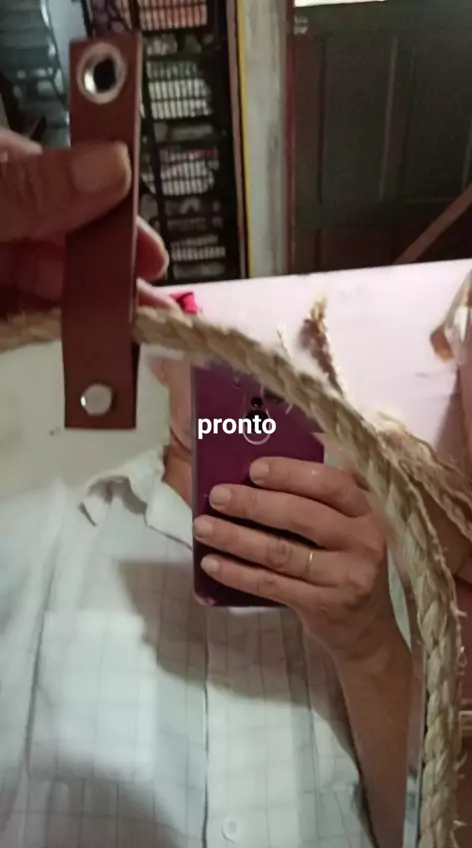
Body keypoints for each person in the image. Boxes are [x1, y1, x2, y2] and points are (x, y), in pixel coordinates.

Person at [0, 128, 412, 848]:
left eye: (277, 364)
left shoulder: (366, 572)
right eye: (219, 343)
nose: (249, 374)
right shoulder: (38, 534)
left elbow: (433, 821)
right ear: (164, 363)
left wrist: (371, 649)